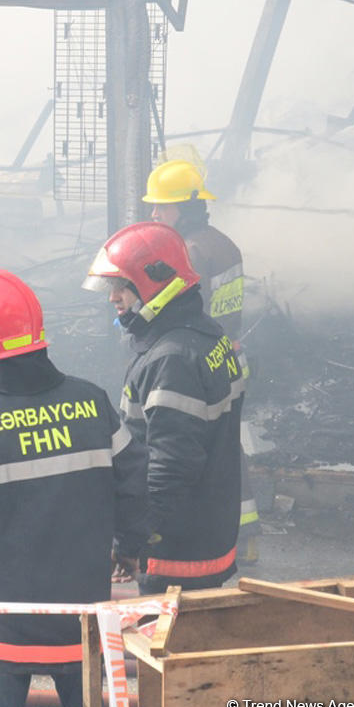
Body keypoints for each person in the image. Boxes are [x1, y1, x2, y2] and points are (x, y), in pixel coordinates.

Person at [0, 269, 148, 707]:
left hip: (6, 620)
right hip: (79, 615)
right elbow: (133, 480)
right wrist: (130, 547)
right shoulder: (91, 401)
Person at [83, 222, 246, 594]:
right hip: (208, 530)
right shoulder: (205, 334)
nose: (114, 297)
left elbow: (169, 466)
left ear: (154, 282)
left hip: (178, 549)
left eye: (122, 285)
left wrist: (131, 543)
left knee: (166, 647)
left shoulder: (171, 360)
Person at [144, 158, 261, 563]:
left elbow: (174, 305)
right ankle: (248, 536)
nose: (155, 213)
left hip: (199, 362)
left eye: (163, 206)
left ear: (186, 206)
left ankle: (210, 534)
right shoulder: (225, 243)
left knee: (198, 447)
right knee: (229, 444)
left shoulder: (189, 250)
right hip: (229, 352)